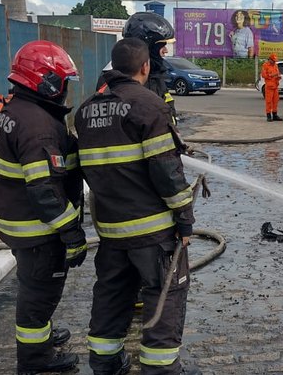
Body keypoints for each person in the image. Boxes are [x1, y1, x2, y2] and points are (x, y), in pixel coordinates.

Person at [77, 37, 197, 375]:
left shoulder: (86, 109)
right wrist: (185, 219)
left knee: (112, 296)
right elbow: (166, 171)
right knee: (164, 295)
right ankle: (159, 370)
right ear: (145, 67)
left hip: (111, 230)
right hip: (153, 232)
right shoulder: (148, 105)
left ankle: (105, 363)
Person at [0, 40, 86, 375]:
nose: (66, 89)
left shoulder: (7, 108)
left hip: (14, 220)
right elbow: (45, 191)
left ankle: (39, 338)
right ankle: (35, 360)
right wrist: (72, 233)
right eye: (63, 82)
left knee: (33, 284)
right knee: (39, 294)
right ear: (47, 82)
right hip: (38, 230)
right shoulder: (38, 128)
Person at [260, 53, 282, 122]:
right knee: (269, 102)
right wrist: (272, 75)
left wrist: (278, 77)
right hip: (269, 86)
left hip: (275, 85)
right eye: (273, 60)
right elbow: (264, 75)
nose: (274, 62)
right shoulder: (265, 65)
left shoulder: (275, 65)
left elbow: (278, 73)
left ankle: (275, 115)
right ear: (270, 60)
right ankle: (268, 116)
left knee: (275, 101)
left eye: (275, 61)